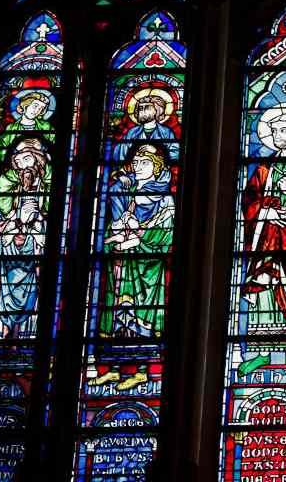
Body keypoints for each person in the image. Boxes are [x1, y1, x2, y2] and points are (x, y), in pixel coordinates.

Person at [236, 112, 286, 383]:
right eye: (273, 132)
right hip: (267, 237)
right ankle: (262, 352)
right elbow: (249, 201)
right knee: (264, 287)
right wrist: (262, 211)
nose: (276, 137)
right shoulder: (265, 169)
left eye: (282, 131)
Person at [90, 144, 174, 390]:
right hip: (122, 264)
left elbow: (167, 234)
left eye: (145, 163)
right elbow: (112, 226)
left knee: (140, 318)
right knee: (117, 317)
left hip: (146, 267)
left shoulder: (163, 198)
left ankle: (141, 371)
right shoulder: (126, 194)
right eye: (136, 163)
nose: (138, 167)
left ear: (157, 167)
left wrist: (139, 239)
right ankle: (114, 370)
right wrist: (113, 237)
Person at [0, 138, 51, 340]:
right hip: (8, 254)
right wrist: (16, 222)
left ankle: (20, 340)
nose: (26, 168)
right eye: (21, 162)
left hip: (32, 254)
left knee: (31, 297)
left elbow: (49, 219)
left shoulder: (46, 189)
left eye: (30, 160)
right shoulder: (7, 186)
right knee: (1, 297)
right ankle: (0, 338)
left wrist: (36, 221)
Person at [113, 94, 178, 161]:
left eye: (147, 107)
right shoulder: (132, 132)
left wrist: (157, 151)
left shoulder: (166, 132)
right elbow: (120, 155)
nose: (142, 111)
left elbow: (175, 154)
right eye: (140, 108)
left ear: (157, 110)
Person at [0, 90, 53, 163]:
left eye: (41, 108)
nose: (37, 110)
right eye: (35, 106)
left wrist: (42, 147)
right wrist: (16, 148)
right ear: (25, 105)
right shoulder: (11, 128)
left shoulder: (47, 127)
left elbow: (60, 152)